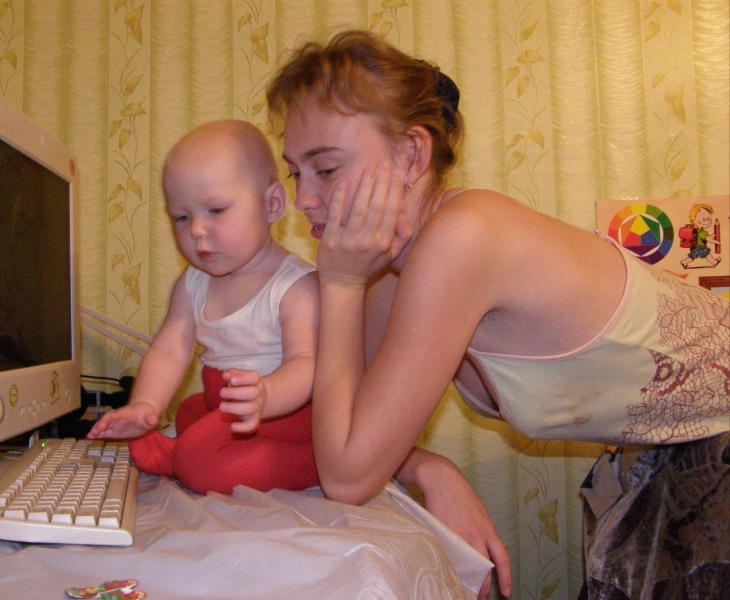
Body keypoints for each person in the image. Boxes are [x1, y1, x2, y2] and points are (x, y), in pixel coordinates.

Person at [267, 30, 729, 600]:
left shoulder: (462, 237)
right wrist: (432, 468)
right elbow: (348, 434)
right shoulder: (395, 266)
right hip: (671, 464)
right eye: (295, 173)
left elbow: (346, 474)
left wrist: (340, 282)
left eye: (327, 169)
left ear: (411, 155)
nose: (303, 200)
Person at [87, 120, 320, 494]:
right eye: (181, 217)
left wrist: (267, 395)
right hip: (224, 406)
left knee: (199, 459)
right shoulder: (192, 283)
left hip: (284, 413)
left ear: (272, 205)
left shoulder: (295, 286)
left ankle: (314, 462)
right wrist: (145, 406)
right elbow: (169, 349)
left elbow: (307, 364)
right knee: (188, 411)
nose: (196, 229)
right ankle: (189, 455)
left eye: (215, 209)